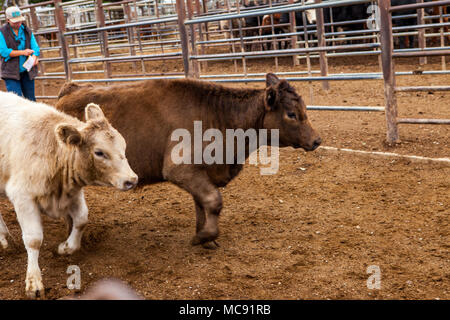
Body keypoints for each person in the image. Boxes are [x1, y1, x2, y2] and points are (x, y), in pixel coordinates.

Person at [0, 6, 40, 101]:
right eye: (15, 21)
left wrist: (34, 56)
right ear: (8, 20)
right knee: (15, 100)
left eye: (20, 20)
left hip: (27, 71)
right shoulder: (2, 32)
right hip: (10, 72)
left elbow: (35, 47)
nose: (18, 23)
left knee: (31, 99)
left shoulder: (27, 31)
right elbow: (4, 52)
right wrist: (23, 52)